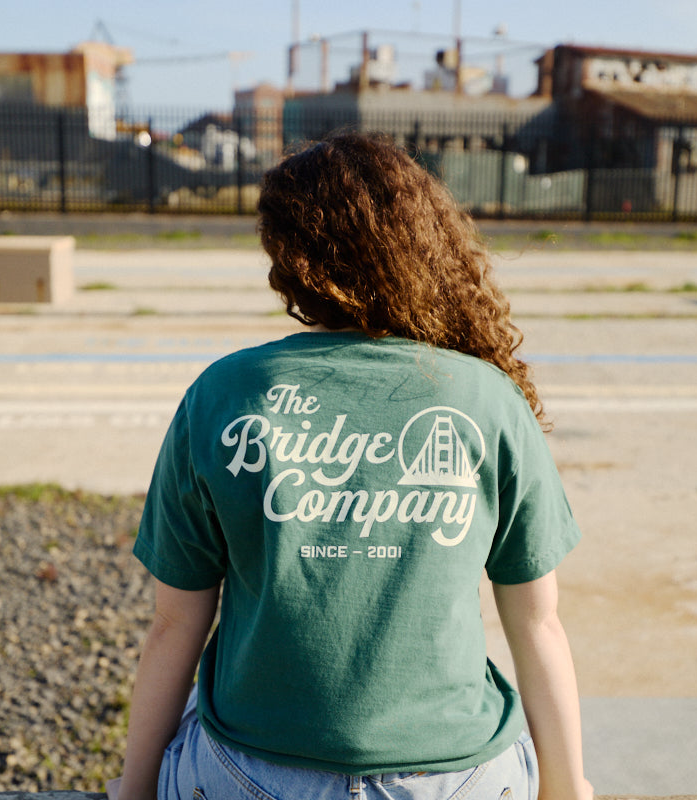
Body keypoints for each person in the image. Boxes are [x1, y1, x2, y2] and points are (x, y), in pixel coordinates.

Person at [116, 132, 593, 800]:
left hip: (254, 772)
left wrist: (132, 789)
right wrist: (570, 787)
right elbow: (537, 621)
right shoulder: (486, 397)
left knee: (206, 711)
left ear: (287, 257)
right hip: (456, 774)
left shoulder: (224, 393)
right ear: (426, 243)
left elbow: (176, 623)